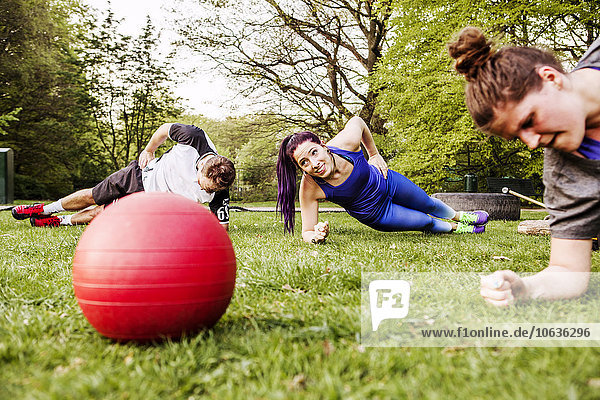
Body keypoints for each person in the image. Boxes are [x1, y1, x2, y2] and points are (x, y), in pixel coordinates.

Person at [448, 27, 600, 306]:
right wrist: (525, 288)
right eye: (518, 136)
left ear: (551, 78)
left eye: (529, 120)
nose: (531, 143)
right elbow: (567, 270)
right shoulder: (565, 176)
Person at [276, 116, 489, 243]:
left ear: (323, 145)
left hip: (386, 181)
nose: (313, 164)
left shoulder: (345, 143)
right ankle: (456, 228)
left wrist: (374, 154)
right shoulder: (310, 187)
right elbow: (306, 231)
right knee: (424, 221)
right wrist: (316, 236)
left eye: (314, 152)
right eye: (304, 163)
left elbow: (357, 121)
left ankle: (460, 216)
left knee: (427, 203)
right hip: (378, 213)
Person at [12, 123, 236, 230]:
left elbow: (222, 228)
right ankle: (45, 209)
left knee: (104, 212)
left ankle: (59, 221)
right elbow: (164, 130)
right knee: (94, 196)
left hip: (151, 201)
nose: (202, 188)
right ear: (202, 166)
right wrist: (149, 150)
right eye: (202, 184)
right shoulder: (193, 137)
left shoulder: (219, 188)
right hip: (140, 174)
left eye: (208, 190)